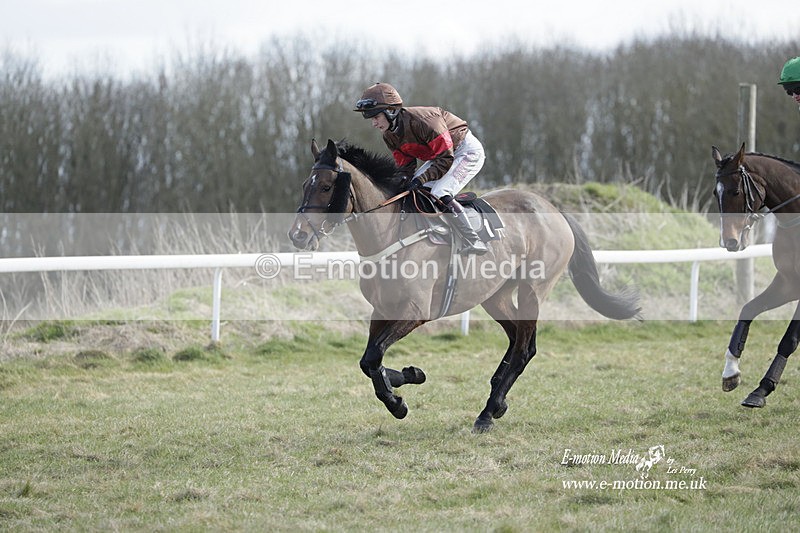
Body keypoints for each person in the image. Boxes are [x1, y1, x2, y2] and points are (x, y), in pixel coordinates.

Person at [353, 82, 488, 255]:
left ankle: (473, 239)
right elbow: (405, 166)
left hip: (465, 151)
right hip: (440, 157)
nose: (373, 124)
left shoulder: (425, 121)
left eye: (375, 117)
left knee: (440, 191)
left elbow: (446, 158)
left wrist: (421, 179)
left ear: (390, 111)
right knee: (413, 191)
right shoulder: (389, 135)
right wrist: (401, 181)